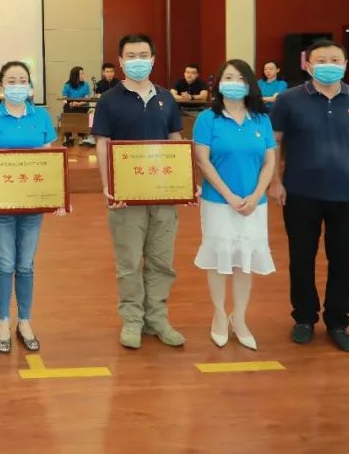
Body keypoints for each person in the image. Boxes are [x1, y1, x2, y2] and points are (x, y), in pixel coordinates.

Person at [269, 39, 349, 353]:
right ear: (308, 65)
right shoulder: (288, 100)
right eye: (321, 60)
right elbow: (274, 143)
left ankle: (338, 321)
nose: (328, 65)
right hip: (300, 194)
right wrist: (275, 182)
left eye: (335, 60)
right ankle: (304, 318)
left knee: (344, 260)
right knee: (301, 259)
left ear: (345, 65)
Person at [92, 34, 190, 350]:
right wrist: (108, 185)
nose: (138, 60)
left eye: (143, 55)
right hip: (126, 196)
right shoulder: (109, 101)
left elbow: (175, 140)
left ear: (153, 59)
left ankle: (157, 319)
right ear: (121, 61)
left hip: (162, 194)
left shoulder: (166, 98)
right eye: (131, 56)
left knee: (162, 261)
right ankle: (132, 320)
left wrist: (185, 181)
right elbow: (103, 144)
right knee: (130, 262)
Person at [0, 60, 65, 354]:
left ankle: (24, 321)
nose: (17, 85)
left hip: (32, 204)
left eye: (22, 80)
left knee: (25, 266)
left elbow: (48, 163)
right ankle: (3, 322)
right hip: (1, 206)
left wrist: (55, 198)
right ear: (1, 86)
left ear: (30, 86)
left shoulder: (41, 116)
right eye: (11, 81)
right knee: (5, 264)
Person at [192, 59, 277, 351]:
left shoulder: (261, 119)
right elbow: (202, 161)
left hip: (254, 205)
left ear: (249, 84)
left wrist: (255, 196)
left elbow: (269, 163)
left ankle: (239, 318)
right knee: (219, 259)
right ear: (218, 84)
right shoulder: (208, 119)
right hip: (218, 203)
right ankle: (219, 315)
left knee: (244, 260)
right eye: (228, 77)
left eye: (240, 78)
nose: (234, 83)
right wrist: (229, 195)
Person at [61, 66, 92, 146]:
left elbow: (87, 99)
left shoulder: (86, 85)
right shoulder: (67, 85)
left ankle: (82, 136)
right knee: (67, 110)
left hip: (82, 105)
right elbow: (64, 99)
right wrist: (69, 103)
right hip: (70, 105)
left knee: (82, 111)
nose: (83, 76)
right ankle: (67, 137)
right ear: (75, 75)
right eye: (81, 74)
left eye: (83, 74)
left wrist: (79, 104)